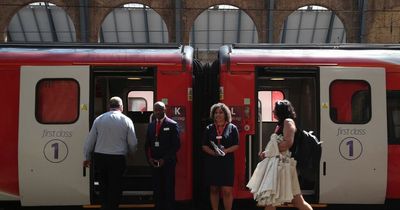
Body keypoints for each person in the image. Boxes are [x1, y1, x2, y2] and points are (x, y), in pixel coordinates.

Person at [247, 99, 312, 210]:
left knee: (271, 200)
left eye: (275, 110)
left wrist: (268, 153)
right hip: (283, 166)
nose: (273, 112)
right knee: (298, 201)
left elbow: (288, 143)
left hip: (282, 166)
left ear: (281, 111)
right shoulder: (283, 123)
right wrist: (267, 153)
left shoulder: (288, 122)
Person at [83, 96, 138, 210]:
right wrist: (132, 154)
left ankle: (104, 205)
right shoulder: (126, 120)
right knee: (116, 185)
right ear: (121, 107)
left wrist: (87, 156)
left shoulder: (99, 119)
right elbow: (133, 143)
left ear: (109, 106)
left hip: (101, 157)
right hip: (117, 158)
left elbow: (90, 141)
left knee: (103, 184)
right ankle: (113, 206)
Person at [202, 103, 239, 210]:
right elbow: (204, 146)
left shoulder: (232, 128)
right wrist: (214, 153)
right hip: (212, 161)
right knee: (213, 189)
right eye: (216, 113)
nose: (218, 115)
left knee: (227, 190)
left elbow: (236, 145)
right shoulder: (209, 128)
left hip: (226, 162)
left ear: (226, 114)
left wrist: (225, 151)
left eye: (221, 113)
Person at [145, 101, 180, 210]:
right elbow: (147, 144)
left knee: (169, 188)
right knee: (157, 189)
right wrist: (149, 159)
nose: (158, 112)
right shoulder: (151, 126)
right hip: (154, 163)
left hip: (168, 163)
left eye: (160, 109)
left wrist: (164, 159)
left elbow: (176, 145)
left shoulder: (172, 124)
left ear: (165, 110)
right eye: (155, 110)